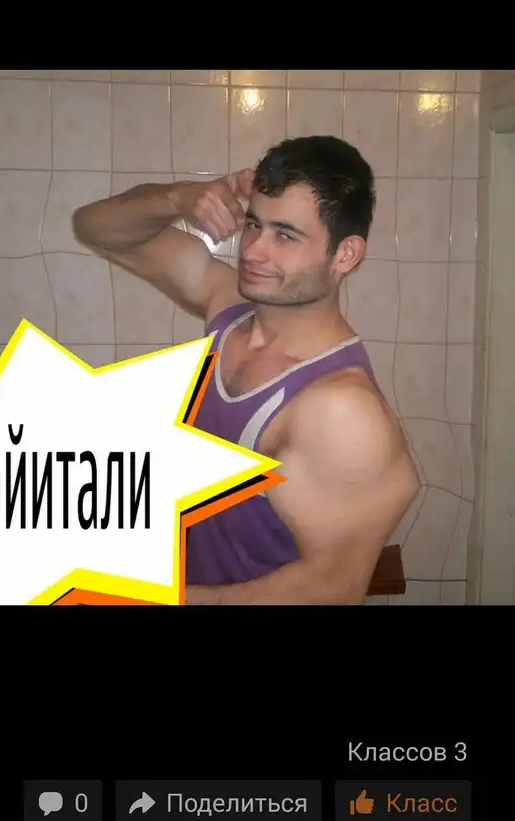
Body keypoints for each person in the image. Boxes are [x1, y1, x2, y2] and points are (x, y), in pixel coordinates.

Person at [73, 135, 420, 605]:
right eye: (254, 225)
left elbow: (331, 589)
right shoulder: (230, 309)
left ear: (346, 255)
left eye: (286, 235)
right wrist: (179, 197)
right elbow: (94, 227)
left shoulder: (341, 410)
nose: (253, 251)